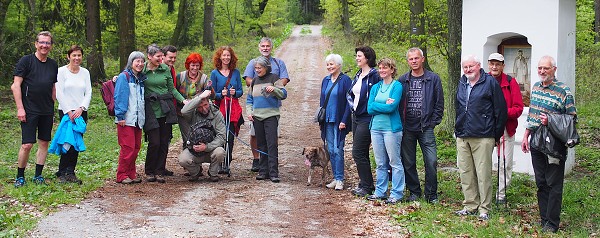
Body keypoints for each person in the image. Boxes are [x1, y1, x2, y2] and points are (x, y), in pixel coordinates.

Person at [521, 55, 576, 233]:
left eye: (546, 68)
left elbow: (571, 119)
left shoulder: (564, 91)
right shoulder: (536, 87)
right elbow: (532, 115)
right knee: (541, 182)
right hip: (536, 140)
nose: (542, 71)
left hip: (554, 144)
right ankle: (544, 219)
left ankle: (552, 224)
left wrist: (551, 121)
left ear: (554, 69)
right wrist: (525, 136)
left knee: (554, 184)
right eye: (540, 68)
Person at [454, 55, 507, 221]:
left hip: (483, 136)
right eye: (465, 67)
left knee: (483, 174)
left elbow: (501, 110)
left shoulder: (490, 82)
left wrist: (495, 135)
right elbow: (458, 106)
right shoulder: (462, 82)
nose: (468, 70)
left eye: (471, 66)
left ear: (478, 66)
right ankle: (470, 205)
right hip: (463, 134)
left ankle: (484, 208)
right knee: (466, 172)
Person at [11, 31, 59, 187]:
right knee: (27, 144)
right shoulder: (26, 61)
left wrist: (52, 108)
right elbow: (16, 85)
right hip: (29, 109)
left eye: (48, 43)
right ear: (36, 44)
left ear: (51, 46)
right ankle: (20, 176)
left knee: (44, 142)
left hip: (46, 110)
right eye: (42, 42)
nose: (44, 45)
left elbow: (53, 87)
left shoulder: (53, 64)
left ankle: (38, 175)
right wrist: (20, 108)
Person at [398, 47, 444, 203]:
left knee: (431, 161)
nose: (414, 61)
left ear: (422, 59)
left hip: (426, 127)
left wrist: (433, 122)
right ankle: (414, 192)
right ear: (408, 61)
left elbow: (439, 103)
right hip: (407, 128)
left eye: (416, 58)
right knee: (409, 162)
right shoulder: (402, 80)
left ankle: (431, 195)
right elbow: (398, 103)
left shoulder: (433, 79)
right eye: (411, 59)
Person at [142, 44, 188, 183]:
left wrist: (183, 100)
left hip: (166, 108)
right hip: (150, 109)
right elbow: (129, 76)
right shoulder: (142, 69)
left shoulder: (165, 69)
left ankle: (159, 171)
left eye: (162, 56)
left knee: (164, 142)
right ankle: (149, 170)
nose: (161, 59)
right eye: (158, 57)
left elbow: (172, 89)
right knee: (154, 142)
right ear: (149, 57)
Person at [243, 37, 290, 172]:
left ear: (271, 47)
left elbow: (284, 79)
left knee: (271, 136)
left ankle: (271, 165)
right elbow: (247, 79)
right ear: (259, 47)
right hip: (257, 105)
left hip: (272, 105)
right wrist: (259, 84)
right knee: (255, 135)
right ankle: (257, 160)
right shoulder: (253, 62)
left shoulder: (278, 63)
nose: (265, 48)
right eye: (262, 46)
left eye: (267, 46)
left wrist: (273, 86)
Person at [366, 58, 405, 204]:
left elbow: (392, 108)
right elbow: (369, 108)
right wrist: (382, 105)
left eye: (385, 68)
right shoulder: (376, 87)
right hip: (375, 128)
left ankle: (397, 193)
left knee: (394, 161)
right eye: (380, 68)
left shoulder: (397, 86)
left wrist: (378, 105)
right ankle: (380, 192)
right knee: (380, 162)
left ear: (392, 70)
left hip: (391, 130)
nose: (382, 70)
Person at [487, 53, 524, 204]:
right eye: (492, 64)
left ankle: (501, 195)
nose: (494, 67)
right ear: (488, 65)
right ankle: (485, 193)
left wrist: (501, 112)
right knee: (484, 161)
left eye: (498, 64)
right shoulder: (484, 80)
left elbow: (518, 108)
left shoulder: (510, 82)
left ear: (503, 66)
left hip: (506, 128)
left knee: (505, 163)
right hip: (486, 128)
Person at [54, 45, 92, 184]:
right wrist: (69, 111)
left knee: (76, 141)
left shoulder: (85, 72)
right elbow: (59, 93)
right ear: (68, 56)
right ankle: (62, 171)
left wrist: (81, 108)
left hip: (81, 113)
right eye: (74, 55)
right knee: (66, 140)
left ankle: (71, 171)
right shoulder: (61, 72)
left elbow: (88, 92)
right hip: (66, 112)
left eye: (79, 55)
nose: (76, 58)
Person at [347, 46, 381, 197]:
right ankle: (365, 183)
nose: (357, 58)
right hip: (356, 116)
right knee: (362, 152)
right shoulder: (359, 74)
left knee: (358, 152)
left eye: (359, 56)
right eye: (356, 56)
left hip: (367, 118)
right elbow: (352, 94)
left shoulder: (375, 75)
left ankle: (367, 186)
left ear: (367, 57)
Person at [319, 53, 352, 191]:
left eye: (332, 64)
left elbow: (349, 103)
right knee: (331, 150)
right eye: (328, 64)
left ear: (339, 65)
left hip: (339, 120)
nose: (329, 67)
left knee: (338, 150)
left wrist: (344, 120)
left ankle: (340, 179)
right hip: (327, 120)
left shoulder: (345, 80)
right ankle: (335, 177)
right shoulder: (325, 80)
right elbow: (322, 101)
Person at [178, 90, 226, 182]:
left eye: (205, 105)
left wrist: (207, 147)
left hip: (211, 149)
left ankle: (213, 173)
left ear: (209, 102)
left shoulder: (217, 114)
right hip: (194, 149)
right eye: (199, 107)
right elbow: (184, 111)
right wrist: (199, 98)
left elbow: (222, 136)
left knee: (220, 152)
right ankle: (196, 172)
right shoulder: (192, 114)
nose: (203, 109)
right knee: (183, 159)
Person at [114, 51, 146, 184]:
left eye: (141, 61)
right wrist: (120, 115)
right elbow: (120, 96)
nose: (139, 64)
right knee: (128, 147)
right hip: (126, 119)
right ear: (131, 62)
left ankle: (131, 173)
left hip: (138, 119)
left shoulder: (141, 78)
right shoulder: (124, 77)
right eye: (137, 61)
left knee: (136, 147)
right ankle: (121, 174)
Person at [211, 46, 244, 175]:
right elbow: (212, 93)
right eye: (224, 55)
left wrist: (235, 92)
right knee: (220, 135)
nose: (226, 58)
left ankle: (227, 163)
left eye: (228, 55)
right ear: (220, 57)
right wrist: (220, 94)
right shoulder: (214, 73)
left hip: (232, 109)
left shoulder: (235, 72)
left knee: (230, 136)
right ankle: (218, 162)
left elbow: (240, 91)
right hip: (220, 109)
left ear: (231, 57)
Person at [176, 52, 211, 153]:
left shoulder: (204, 78)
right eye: (193, 65)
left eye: (197, 65)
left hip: (198, 113)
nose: (195, 68)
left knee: (197, 135)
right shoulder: (181, 77)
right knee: (187, 137)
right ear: (188, 65)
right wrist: (182, 101)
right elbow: (174, 92)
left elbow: (209, 93)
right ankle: (187, 160)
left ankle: (196, 161)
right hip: (183, 113)